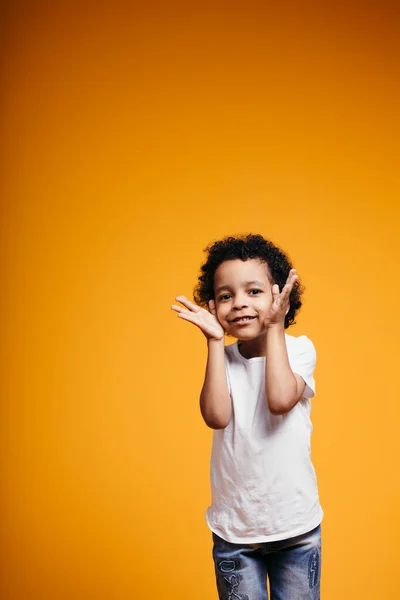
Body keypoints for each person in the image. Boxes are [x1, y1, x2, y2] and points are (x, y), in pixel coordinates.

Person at [171, 234, 323, 600]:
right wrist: (212, 343)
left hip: (296, 529)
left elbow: (280, 399)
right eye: (226, 296)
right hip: (234, 533)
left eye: (253, 292)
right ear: (213, 306)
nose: (239, 303)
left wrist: (274, 326)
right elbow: (216, 417)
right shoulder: (222, 360)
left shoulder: (299, 350)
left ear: (278, 296)